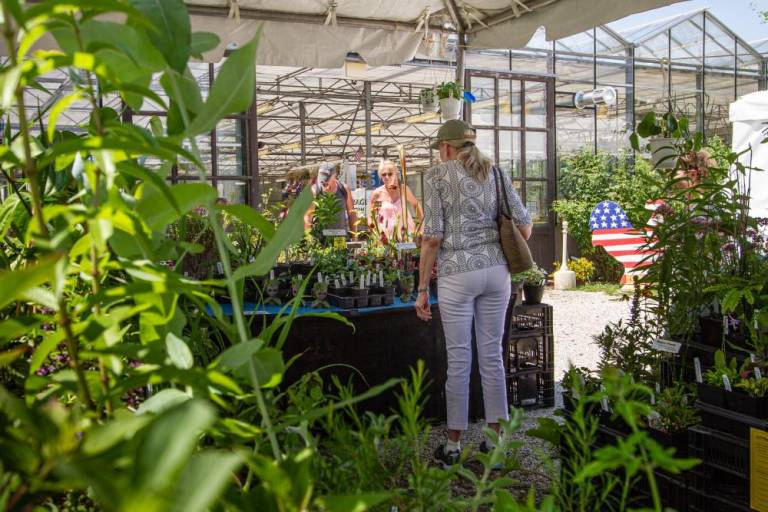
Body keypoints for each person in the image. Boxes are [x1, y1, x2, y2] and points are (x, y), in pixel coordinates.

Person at [414, 119, 532, 467]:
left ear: (447, 148)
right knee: (493, 356)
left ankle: (453, 445)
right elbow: (524, 228)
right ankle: (495, 445)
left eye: (439, 149)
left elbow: (432, 236)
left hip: (457, 274)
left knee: (460, 359)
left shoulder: (437, 177)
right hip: (497, 273)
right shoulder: (496, 173)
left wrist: (422, 288)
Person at [367, 159, 423, 239]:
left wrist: (421, 229)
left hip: (407, 237)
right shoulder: (377, 194)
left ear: (395, 174)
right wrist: (375, 232)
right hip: (386, 240)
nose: (386, 177)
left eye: (390, 174)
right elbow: (371, 215)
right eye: (383, 174)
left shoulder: (402, 189)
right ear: (380, 176)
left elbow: (416, 205)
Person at [303, 162, 357, 234]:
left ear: (334, 176)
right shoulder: (315, 191)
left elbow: (352, 214)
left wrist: (354, 237)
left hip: (340, 236)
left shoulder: (343, 189)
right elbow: (308, 216)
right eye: (321, 178)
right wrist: (309, 239)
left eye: (327, 179)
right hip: (322, 239)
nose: (323, 182)